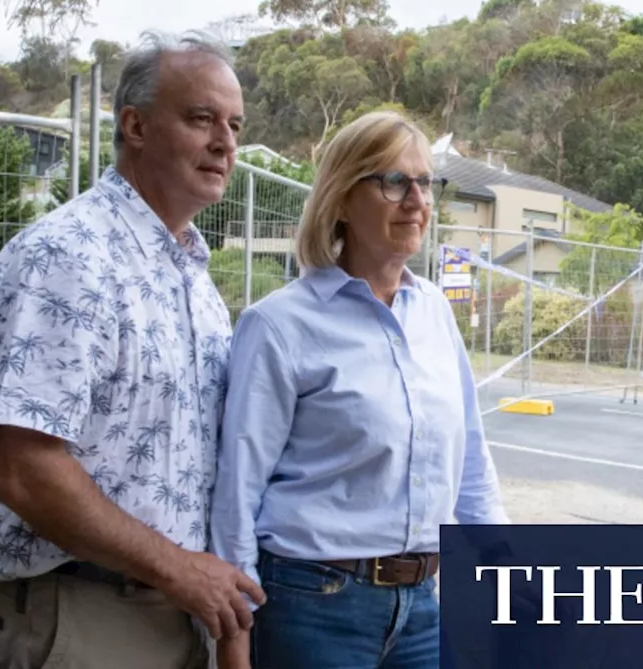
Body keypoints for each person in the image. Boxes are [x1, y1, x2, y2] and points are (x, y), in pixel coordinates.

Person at [0, 29, 264, 669]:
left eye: (234, 125)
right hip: (85, 620)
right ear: (135, 125)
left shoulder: (195, 282)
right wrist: (178, 569)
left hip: (179, 616)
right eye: (201, 119)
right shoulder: (68, 258)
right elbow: (20, 466)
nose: (225, 143)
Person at [208, 110, 511, 669]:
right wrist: (233, 638)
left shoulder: (436, 315)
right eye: (393, 181)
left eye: (425, 182)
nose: (416, 200)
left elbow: (470, 456)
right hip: (313, 606)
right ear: (342, 199)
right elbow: (238, 488)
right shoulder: (279, 325)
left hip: (421, 606)